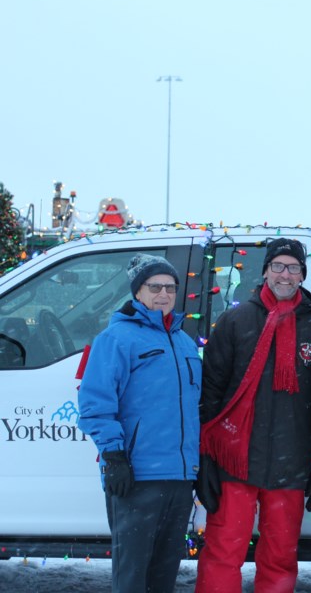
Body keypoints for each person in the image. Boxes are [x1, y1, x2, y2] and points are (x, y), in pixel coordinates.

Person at [195, 238, 311, 593]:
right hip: (234, 460)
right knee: (224, 553)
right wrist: (206, 459)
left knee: (280, 558)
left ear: (303, 275)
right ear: (264, 271)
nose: (284, 275)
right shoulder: (236, 320)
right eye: (278, 266)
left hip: (291, 464)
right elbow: (211, 394)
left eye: (293, 268)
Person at [78, 254, 200, 593]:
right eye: (155, 287)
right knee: (132, 576)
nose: (163, 294)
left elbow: (193, 408)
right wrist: (115, 457)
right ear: (138, 292)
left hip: (179, 478)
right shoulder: (116, 339)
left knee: (164, 575)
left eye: (170, 288)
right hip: (137, 477)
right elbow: (95, 402)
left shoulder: (184, 342)